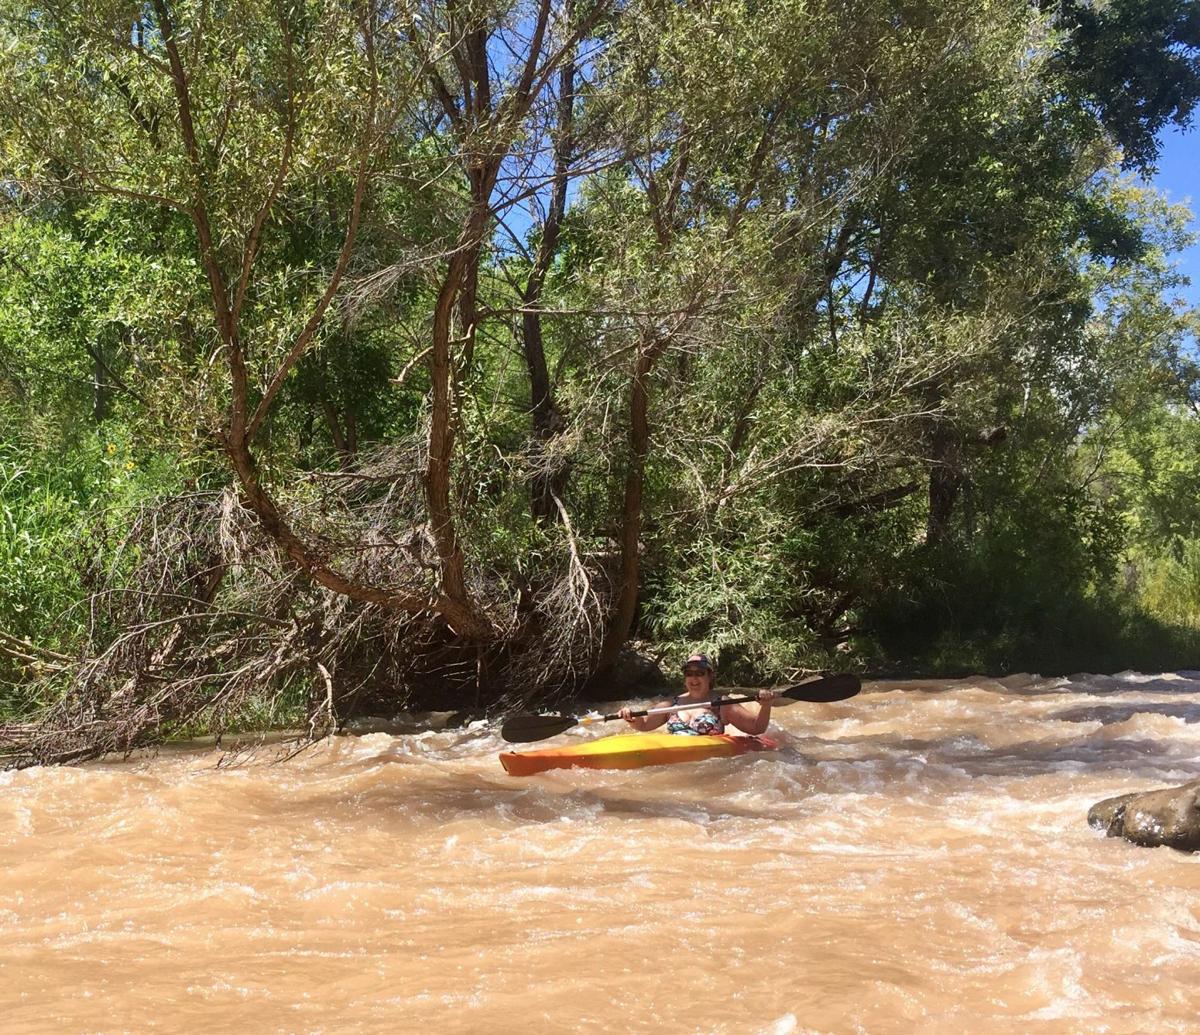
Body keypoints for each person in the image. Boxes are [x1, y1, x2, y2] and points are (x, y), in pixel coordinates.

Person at [618, 653, 777, 736]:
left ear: (710, 676)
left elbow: (757, 728)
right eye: (689, 673)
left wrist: (766, 706)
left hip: (709, 767)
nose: (693, 678)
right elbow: (644, 725)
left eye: (699, 673)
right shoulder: (671, 704)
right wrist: (631, 717)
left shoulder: (722, 704)